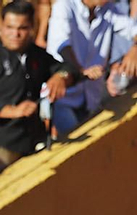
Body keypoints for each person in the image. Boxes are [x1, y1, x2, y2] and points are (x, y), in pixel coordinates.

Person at [0, 1, 81, 180]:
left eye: (22, 28)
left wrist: (61, 77)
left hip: (28, 142)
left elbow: (66, 69)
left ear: (32, 27)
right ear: (1, 25)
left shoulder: (35, 54)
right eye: (9, 27)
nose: (15, 34)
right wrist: (12, 110)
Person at [46, 0, 132, 136]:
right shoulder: (64, 6)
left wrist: (135, 50)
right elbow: (61, 45)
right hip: (64, 98)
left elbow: (132, 28)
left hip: (92, 98)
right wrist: (80, 71)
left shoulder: (108, 9)